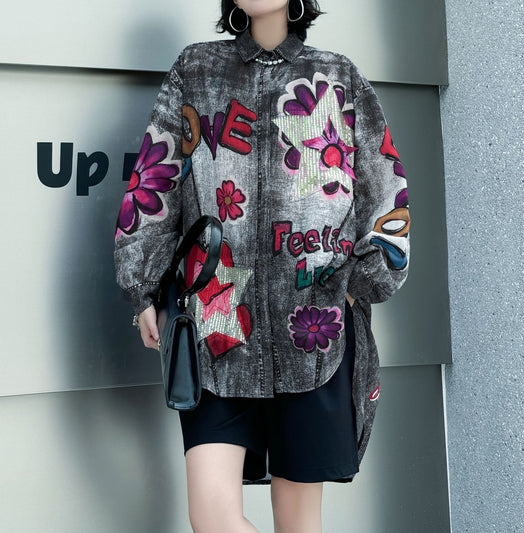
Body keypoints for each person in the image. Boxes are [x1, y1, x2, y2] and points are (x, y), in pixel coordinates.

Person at [114, 1, 411, 531]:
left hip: (314, 329)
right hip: (217, 322)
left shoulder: (337, 77)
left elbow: (387, 192)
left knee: (298, 523)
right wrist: (145, 288)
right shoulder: (197, 70)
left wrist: (356, 283)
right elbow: (155, 180)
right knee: (212, 518)